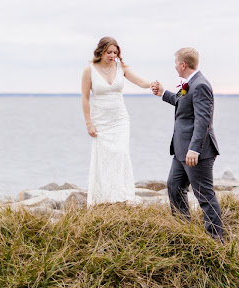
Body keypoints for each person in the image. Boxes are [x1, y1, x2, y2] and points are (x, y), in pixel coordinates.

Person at [151, 48, 223, 240]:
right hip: (181, 151)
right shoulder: (188, 84)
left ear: (183, 64)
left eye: (175, 63)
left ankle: (216, 240)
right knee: (174, 187)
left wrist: (194, 149)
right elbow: (180, 101)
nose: (174, 66)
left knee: (205, 196)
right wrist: (162, 92)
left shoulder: (200, 85)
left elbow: (203, 120)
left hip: (196, 152)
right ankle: (184, 232)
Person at [81, 36, 151, 206]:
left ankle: (124, 194)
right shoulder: (89, 70)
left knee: (121, 153)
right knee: (103, 157)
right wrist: (89, 123)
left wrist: (151, 85)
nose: (112, 55)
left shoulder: (121, 67)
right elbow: (84, 98)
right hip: (100, 121)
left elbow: (140, 81)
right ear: (101, 51)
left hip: (120, 120)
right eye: (109, 52)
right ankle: (104, 197)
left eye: (115, 52)